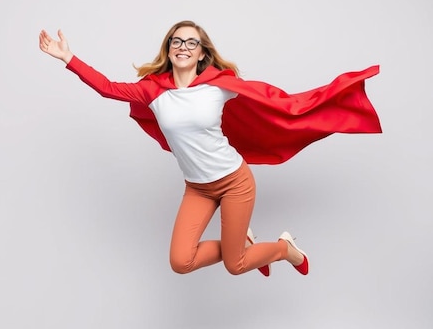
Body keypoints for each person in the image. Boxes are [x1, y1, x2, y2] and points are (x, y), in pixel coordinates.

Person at [38, 20, 381, 276]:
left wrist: (322, 104)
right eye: (177, 41)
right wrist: (68, 57)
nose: (183, 46)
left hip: (234, 183)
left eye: (192, 42)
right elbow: (107, 88)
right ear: (168, 48)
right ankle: (245, 242)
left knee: (236, 265)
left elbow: (277, 103)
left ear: (202, 52)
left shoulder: (218, 86)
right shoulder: (153, 91)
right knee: (180, 262)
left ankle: (283, 249)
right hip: (197, 189)